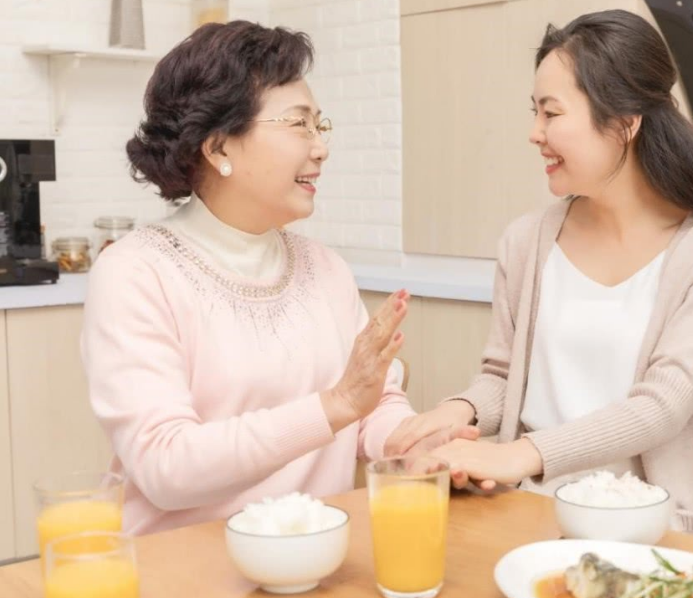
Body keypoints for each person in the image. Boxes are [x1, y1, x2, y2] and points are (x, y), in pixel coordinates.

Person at [385, 9, 693, 551]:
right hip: (531, 518)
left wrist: (519, 454)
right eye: (535, 113)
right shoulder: (526, 241)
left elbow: (663, 405)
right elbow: (504, 376)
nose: (535, 133)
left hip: (656, 532)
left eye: (551, 113)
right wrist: (459, 411)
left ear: (625, 123)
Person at [80, 21, 475, 535]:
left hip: (317, 554)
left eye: (319, 125)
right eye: (298, 125)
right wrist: (333, 406)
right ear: (219, 148)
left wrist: (414, 446)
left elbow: (370, 408)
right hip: (181, 565)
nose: (320, 147)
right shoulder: (137, 272)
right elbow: (166, 467)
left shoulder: (325, 268)